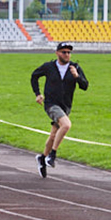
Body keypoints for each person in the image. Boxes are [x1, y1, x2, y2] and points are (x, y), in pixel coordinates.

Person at [30, 42, 88, 178]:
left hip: (65, 106)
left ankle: (42, 158)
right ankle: (52, 156)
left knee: (54, 135)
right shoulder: (49, 67)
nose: (67, 54)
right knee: (66, 125)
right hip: (51, 104)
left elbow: (85, 86)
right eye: (64, 52)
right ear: (57, 53)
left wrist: (77, 77)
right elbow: (34, 76)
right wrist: (37, 94)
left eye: (69, 52)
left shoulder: (75, 67)